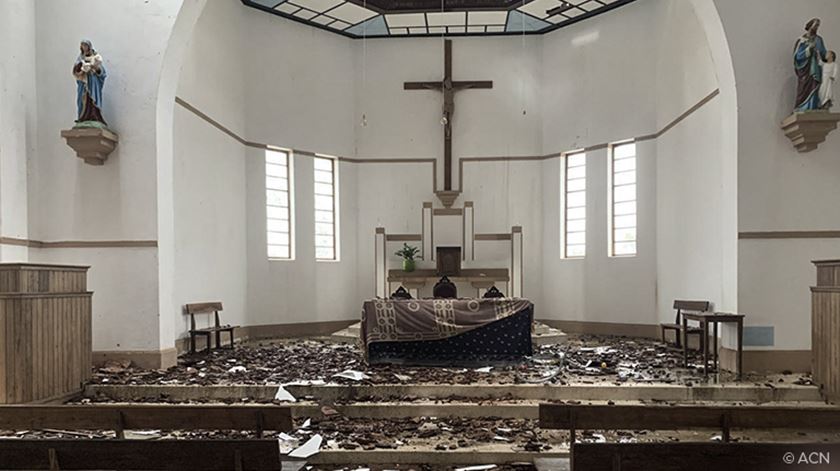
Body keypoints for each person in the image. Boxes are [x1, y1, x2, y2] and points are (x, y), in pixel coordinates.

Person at [794, 18, 828, 112]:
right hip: (806, 69)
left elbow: (823, 53)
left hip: (816, 67)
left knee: (815, 85)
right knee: (804, 87)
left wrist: (829, 57)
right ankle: (802, 107)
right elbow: (797, 56)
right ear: (810, 25)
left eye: (818, 25)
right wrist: (808, 49)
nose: (817, 27)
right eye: (816, 25)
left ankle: (814, 106)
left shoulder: (819, 40)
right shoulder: (802, 40)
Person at [73, 39, 107, 124]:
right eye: (83, 46)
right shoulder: (80, 58)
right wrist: (82, 69)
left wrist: (95, 68)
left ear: (89, 47)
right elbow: (75, 71)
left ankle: (94, 116)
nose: (84, 48)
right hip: (83, 83)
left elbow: (102, 73)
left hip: (93, 82)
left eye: (86, 46)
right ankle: (82, 117)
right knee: (82, 98)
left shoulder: (95, 57)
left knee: (93, 98)